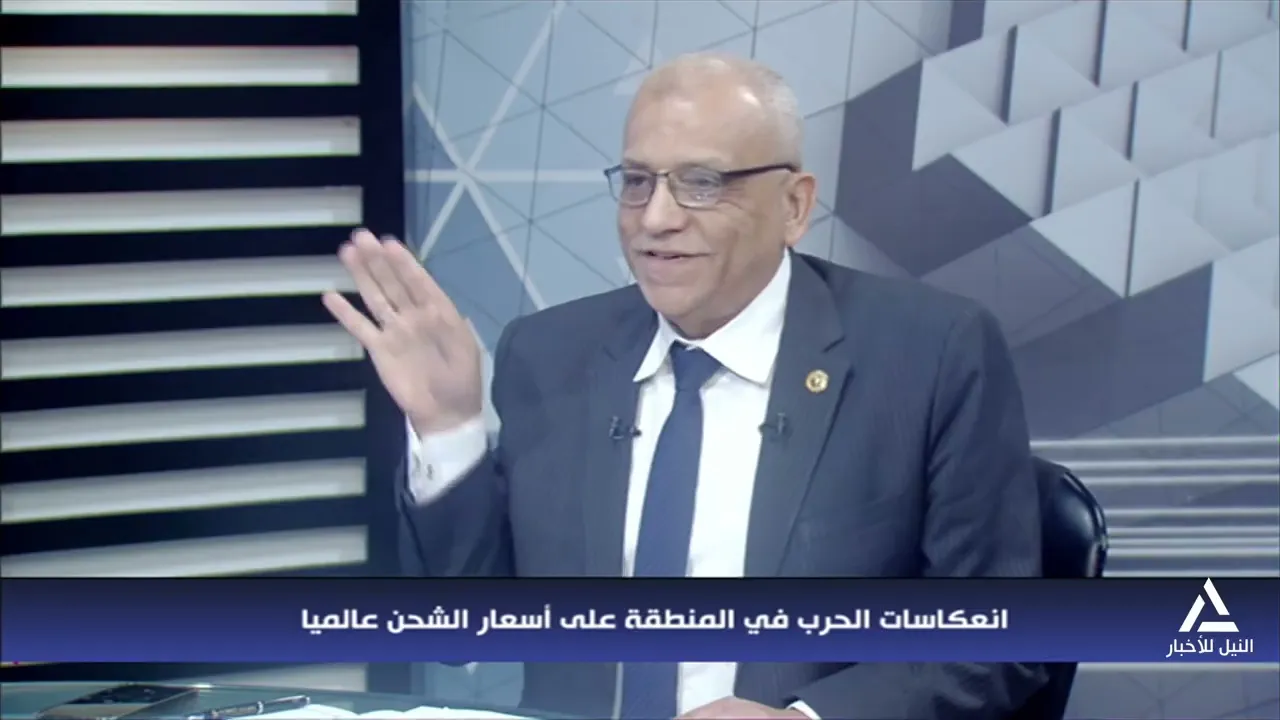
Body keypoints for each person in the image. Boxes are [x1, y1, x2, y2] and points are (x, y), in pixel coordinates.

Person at [325, 53, 1047, 720]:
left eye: (702, 184)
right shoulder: (549, 354)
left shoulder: (927, 355)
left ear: (794, 206)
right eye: (638, 182)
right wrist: (449, 429)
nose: (656, 219)